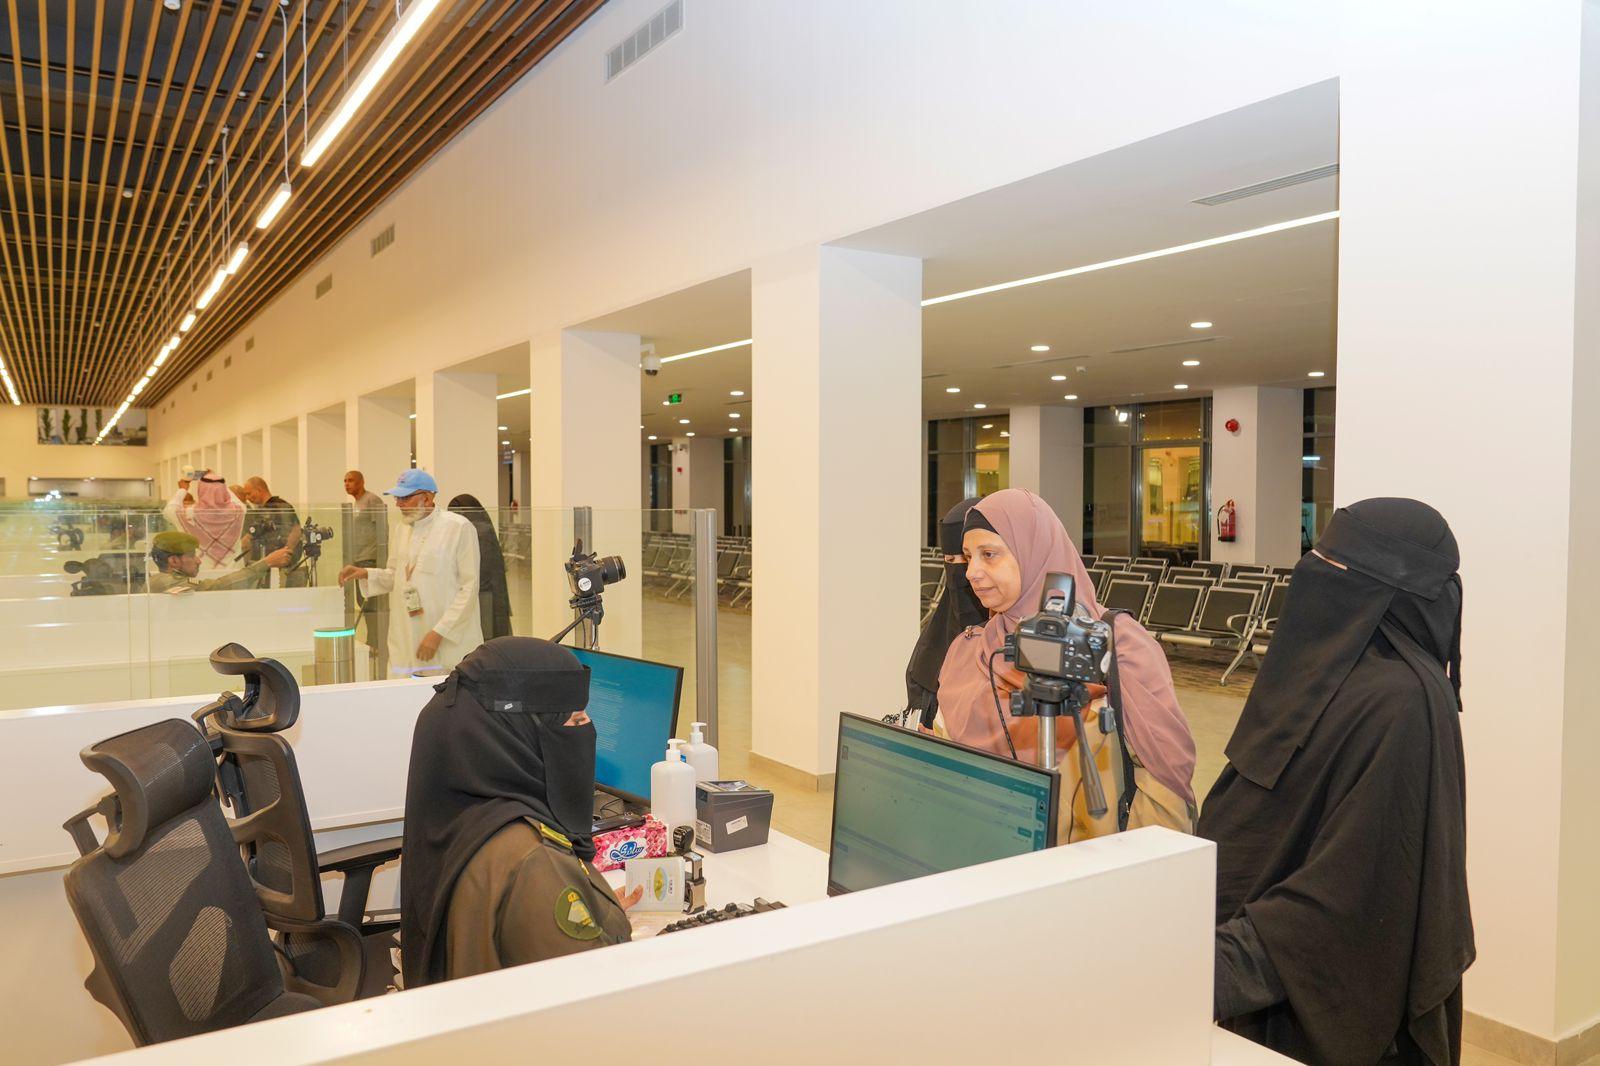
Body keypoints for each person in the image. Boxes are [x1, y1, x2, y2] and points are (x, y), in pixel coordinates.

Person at [1200, 498, 1471, 1065]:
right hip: (1249, 985)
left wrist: (1213, 968)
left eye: (1331, 564)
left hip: (1325, 1011)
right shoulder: (1322, 676)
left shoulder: (1402, 704)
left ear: (1381, 589)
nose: (1310, 571)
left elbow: (1352, 894)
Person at [935, 488, 1197, 838]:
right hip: (988, 849)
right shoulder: (973, 650)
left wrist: (1133, 864)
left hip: (1094, 856)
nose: (971, 572)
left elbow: (1163, 779)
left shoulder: (1119, 645)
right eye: (968, 557)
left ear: (1033, 551)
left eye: (989, 555)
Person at [400, 637, 642, 986]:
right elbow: (600, 995)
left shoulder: (464, 812)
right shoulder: (534, 860)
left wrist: (596, 910)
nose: (588, 730)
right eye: (576, 721)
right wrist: (610, 930)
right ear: (522, 735)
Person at [337, 469, 483, 675]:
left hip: (446, 639)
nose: (398, 504)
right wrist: (366, 573)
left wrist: (439, 633)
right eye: (397, 498)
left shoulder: (458, 528)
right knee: (405, 685)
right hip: (406, 634)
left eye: (405, 498)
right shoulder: (402, 529)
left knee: (444, 688)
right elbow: (395, 575)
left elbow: (469, 588)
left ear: (427, 497)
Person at [900, 497, 986, 728]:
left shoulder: (1003, 638)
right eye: (949, 560)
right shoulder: (933, 641)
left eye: (966, 560)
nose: (960, 572)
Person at [344, 470, 391, 677]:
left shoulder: (372, 500)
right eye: (345, 481)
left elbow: (382, 529)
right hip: (358, 561)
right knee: (361, 601)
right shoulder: (355, 504)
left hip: (371, 560)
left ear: (362, 482)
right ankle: (372, 642)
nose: (347, 484)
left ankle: (377, 643)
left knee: (372, 606)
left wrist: (380, 559)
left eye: (351, 480)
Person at [447, 493, 512, 641]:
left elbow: (481, 572)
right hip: (485, 594)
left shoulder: (479, 532)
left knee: (485, 638)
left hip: (483, 596)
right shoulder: (482, 528)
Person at [147, 530, 290, 593]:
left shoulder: (166, 580)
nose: (198, 561)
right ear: (173, 561)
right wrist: (266, 563)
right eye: (191, 556)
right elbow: (217, 587)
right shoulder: (167, 583)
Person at [171, 472, 245, 573]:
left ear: (200, 491)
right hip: (234, 574)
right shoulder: (238, 511)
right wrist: (218, 481)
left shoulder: (189, 514)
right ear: (223, 489)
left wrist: (183, 489)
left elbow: (169, 510)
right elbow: (234, 499)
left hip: (202, 573)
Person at [240, 477, 304, 581]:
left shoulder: (271, 509)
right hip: (276, 565)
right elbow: (296, 530)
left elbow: (296, 531)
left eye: (249, 493)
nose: (247, 498)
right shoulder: (282, 505)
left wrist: (247, 568)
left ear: (259, 490)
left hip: (277, 567)